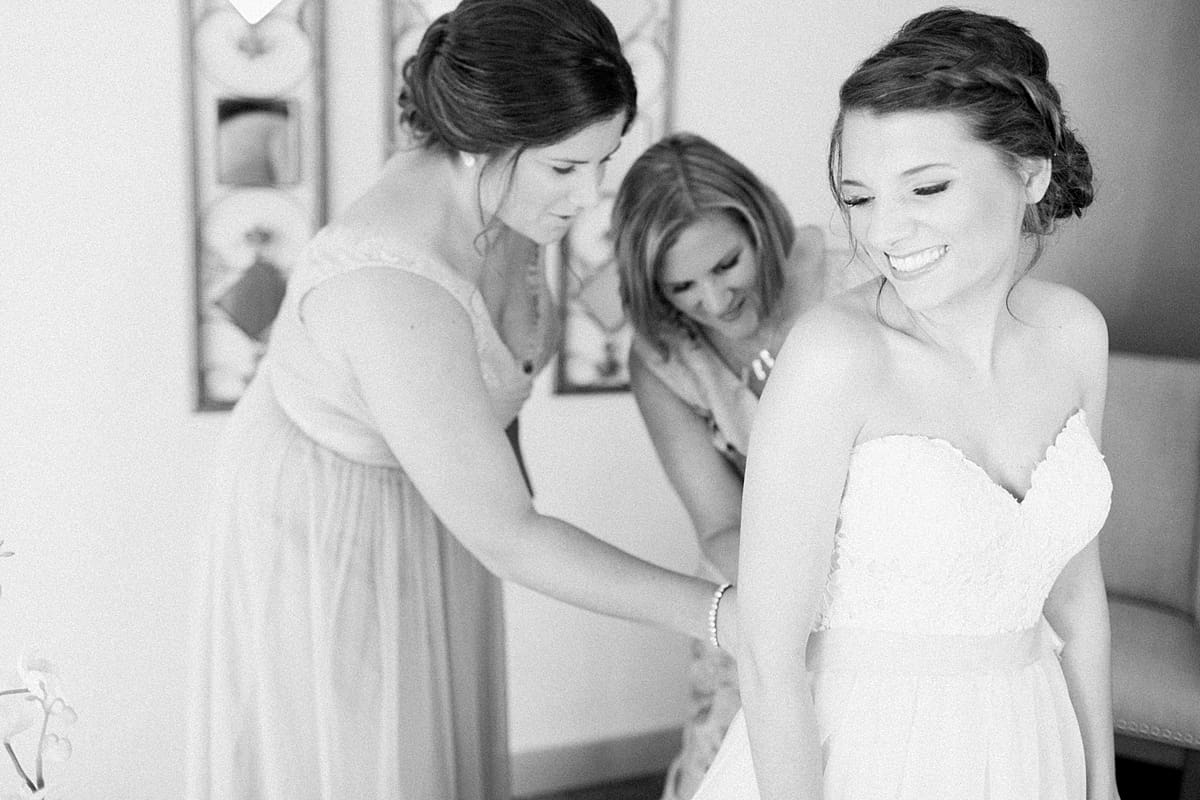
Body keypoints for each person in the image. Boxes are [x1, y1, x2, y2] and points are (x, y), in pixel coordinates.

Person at [184, 2, 738, 798]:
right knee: (366, 758)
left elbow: (492, 401)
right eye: (566, 168)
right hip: (323, 520)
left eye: (603, 160)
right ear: (484, 144)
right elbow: (510, 536)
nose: (589, 197)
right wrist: (721, 613)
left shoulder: (505, 196)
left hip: (438, 503)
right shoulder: (388, 286)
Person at [693, 8, 1119, 800]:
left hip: (1032, 739)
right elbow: (767, 654)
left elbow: (1074, 586)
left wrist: (1101, 778)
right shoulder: (832, 358)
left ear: (1030, 172)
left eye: (925, 186)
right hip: (859, 755)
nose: (885, 232)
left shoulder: (1074, 336)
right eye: (859, 198)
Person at [613, 132, 867, 800]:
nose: (715, 300)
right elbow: (719, 522)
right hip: (757, 568)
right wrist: (794, 601)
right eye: (682, 287)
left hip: (885, 556)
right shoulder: (665, 357)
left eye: (728, 264)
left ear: (759, 224)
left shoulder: (850, 282)